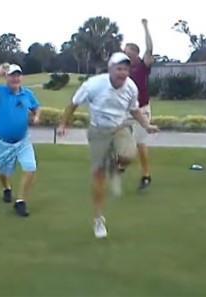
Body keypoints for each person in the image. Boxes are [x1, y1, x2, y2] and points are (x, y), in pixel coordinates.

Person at [57, 52, 159, 238]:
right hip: (98, 131)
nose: (123, 73)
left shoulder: (131, 88)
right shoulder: (94, 85)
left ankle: (115, 168)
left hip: (120, 127)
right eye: (119, 68)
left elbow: (134, 110)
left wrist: (146, 125)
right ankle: (98, 220)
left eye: (126, 69)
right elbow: (73, 104)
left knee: (129, 155)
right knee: (98, 176)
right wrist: (64, 124)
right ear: (110, 69)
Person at [0, 63, 41, 217]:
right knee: (2, 171)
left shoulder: (27, 94)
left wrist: (37, 116)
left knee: (30, 167)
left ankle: (20, 202)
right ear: (7, 77)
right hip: (2, 141)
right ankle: (6, 188)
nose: (15, 78)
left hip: (23, 141)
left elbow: (36, 106)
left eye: (18, 75)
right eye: (12, 75)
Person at [124, 18, 155, 190]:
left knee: (141, 143)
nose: (125, 54)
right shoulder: (124, 69)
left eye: (128, 52)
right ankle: (121, 162)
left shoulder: (143, 66)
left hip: (142, 109)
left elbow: (150, 48)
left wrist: (145, 27)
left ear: (135, 53)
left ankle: (146, 175)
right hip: (126, 110)